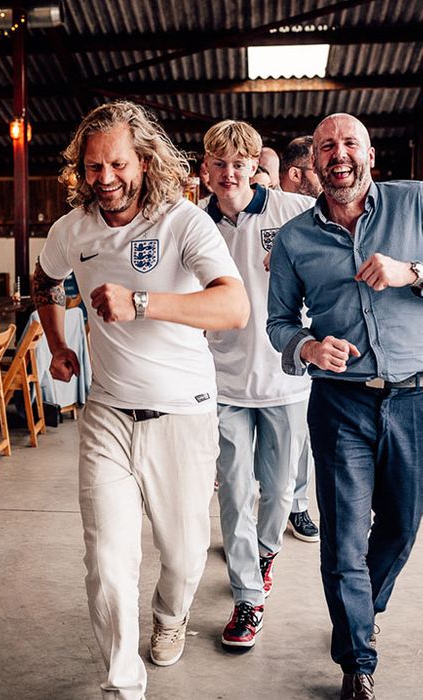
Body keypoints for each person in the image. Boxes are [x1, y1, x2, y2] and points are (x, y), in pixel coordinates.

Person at [32, 100, 249, 699]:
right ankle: (122, 686)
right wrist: (57, 341)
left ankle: (171, 614)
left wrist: (143, 302)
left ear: (145, 159)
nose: (104, 178)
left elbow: (233, 307)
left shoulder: (183, 222)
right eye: (92, 165)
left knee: (181, 559)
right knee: (106, 563)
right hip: (107, 413)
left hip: (184, 413)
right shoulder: (70, 230)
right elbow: (44, 279)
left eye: (117, 164)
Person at [267, 113, 423, 700]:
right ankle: (357, 660)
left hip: (416, 397)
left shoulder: (415, 205)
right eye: (327, 146)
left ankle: (366, 603)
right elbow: (278, 322)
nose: (338, 154)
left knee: (403, 527)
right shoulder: (295, 239)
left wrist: (411, 272)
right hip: (340, 405)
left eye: (349, 143)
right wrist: (308, 345)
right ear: (313, 163)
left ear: (370, 156)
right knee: (343, 540)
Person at [201, 120, 314, 651]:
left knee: (281, 492)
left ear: (254, 166)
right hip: (221, 380)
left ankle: (266, 550)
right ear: (206, 169)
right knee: (234, 490)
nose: (229, 173)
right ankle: (248, 595)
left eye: (238, 163)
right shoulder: (193, 224)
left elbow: (331, 251)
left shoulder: (289, 211)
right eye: (218, 164)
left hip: (285, 377)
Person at [278, 135, 324, 543]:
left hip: (306, 335)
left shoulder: (322, 213)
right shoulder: (272, 210)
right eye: (316, 169)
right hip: (257, 336)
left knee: (301, 431)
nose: (325, 177)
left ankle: (297, 505)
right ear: (297, 174)